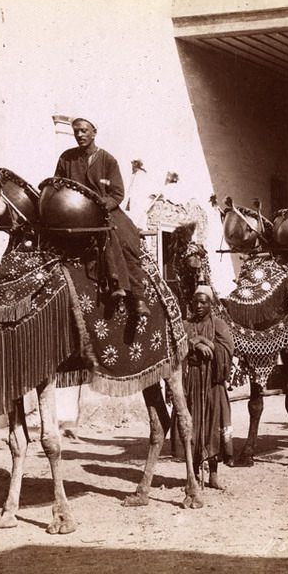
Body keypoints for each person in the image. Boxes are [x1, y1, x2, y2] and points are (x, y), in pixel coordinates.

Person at [54, 117, 150, 318]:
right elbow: (58, 184)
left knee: (125, 238)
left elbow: (117, 194)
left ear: (94, 132)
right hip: (73, 213)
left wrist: (99, 205)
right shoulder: (66, 158)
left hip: (105, 211)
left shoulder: (108, 160)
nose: (79, 135)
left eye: (84, 130)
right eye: (76, 131)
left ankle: (135, 295)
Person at [173, 285, 234, 489]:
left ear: (211, 304)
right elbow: (175, 348)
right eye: (196, 302)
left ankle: (214, 474)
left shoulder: (219, 325)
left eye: (203, 302)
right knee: (194, 427)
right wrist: (195, 342)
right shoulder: (184, 325)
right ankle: (194, 473)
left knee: (213, 426)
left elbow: (227, 353)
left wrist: (208, 342)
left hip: (213, 384)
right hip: (191, 382)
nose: (199, 306)